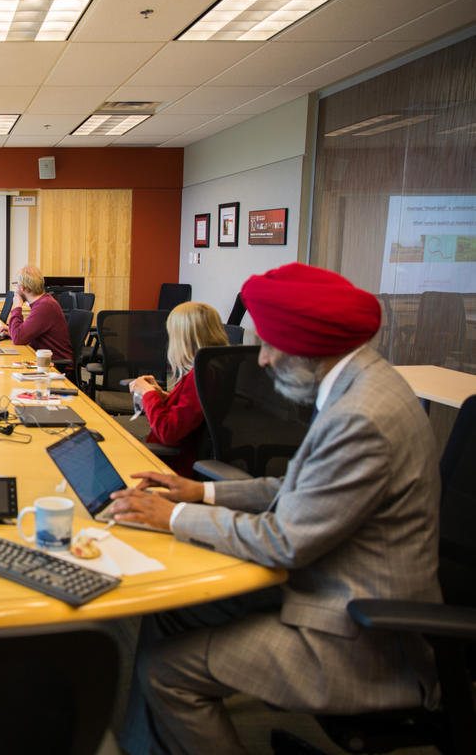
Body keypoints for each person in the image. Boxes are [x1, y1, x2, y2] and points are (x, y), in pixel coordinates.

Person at [108, 263, 440, 755]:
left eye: (269, 344)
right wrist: (202, 493)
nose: (260, 360)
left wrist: (172, 517)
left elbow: (285, 540)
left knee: (166, 671)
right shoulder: (362, 384)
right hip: (326, 586)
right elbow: (298, 485)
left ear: (307, 343)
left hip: (356, 629)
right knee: (172, 613)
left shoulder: (361, 417)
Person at [128, 301, 228, 476]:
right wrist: (163, 395)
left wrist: (148, 393)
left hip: (172, 467)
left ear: (183, 337)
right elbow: (192, 412)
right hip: (183, 456)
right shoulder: (214, 367)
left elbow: (168, 432)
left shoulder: (201, 375)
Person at [3, 265, 72, 361]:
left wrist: (17, 307)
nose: (15, 289)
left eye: (15, 284)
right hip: (42, 358)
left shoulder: (44, 306)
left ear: (22, 287)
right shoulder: (43, 302)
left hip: (53, 365)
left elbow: (18, 338)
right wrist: (11, 330)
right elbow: (25, 333)